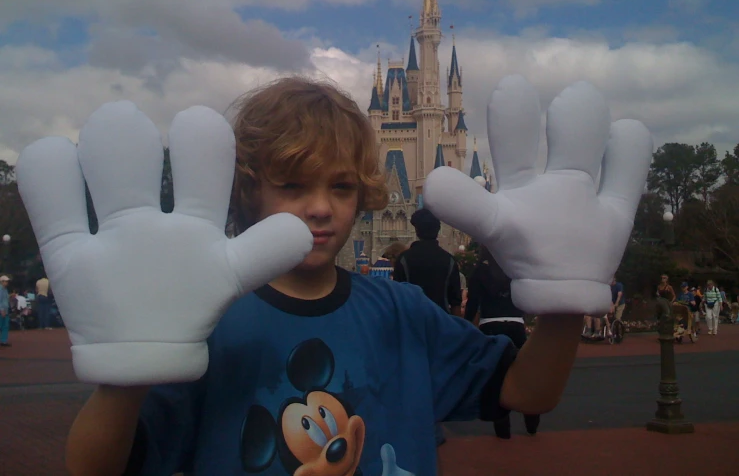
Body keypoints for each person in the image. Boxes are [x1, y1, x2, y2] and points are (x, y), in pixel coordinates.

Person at [15, 75, 651, 475]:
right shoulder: (205, 323)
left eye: (342, 187)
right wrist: (126, 368)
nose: (321, 208)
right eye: (292, 185)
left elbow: (527, 393)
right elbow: (95, 465)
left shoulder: (400, 313)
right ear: (246, 191)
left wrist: (567, 297)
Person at [465, 245, 540, 439]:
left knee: (496, 377)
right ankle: (531, 415)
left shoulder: (480, 271)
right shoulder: (514, 269)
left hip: (490, 325)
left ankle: (502, 426)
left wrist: (466, 325)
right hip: (515, 323)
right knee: (524, 373)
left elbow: (472, 302)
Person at [393, 208, 463, 316]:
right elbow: (455, 302)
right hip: (442, 323)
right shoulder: (449, 261)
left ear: (417, 230)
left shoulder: (404, 260)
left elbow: (398, 298)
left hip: (413, 322)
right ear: (438, 230)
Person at [0, 275, 10, 347]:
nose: (7, 283)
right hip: (2, 310)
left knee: (5, 326)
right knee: (2, 325)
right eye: (6, 281)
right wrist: (2, 310)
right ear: (2, 282)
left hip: (5, 310)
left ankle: (4, 341)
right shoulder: (1, 289)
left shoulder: (5, 289)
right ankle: (3, 340)